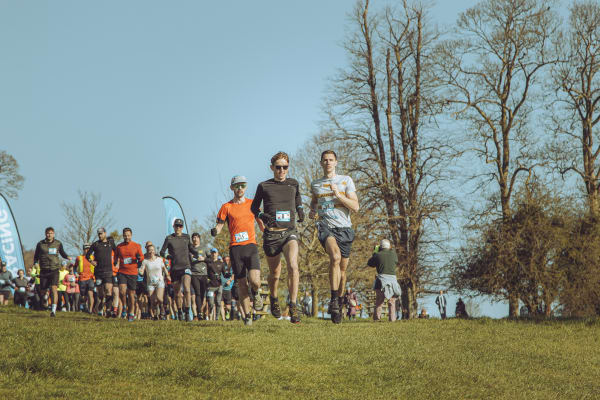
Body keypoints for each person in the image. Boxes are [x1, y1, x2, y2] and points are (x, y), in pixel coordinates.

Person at [251, 151, 303, 324]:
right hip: (272, 234)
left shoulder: (293, 184)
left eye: (285, 167)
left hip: (289, 232)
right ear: (272, 168)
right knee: (275, 273)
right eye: (278, 167)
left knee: (293, 266)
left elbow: (298, 200)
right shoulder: (264, 186)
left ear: (288, 168)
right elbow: (253, 208)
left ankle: (293, 304)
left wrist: (301, 211)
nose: (282, 170)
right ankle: (274, 297)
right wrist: (262, 215)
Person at [309, 150, 359, 324]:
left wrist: (339, 195)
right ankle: (333, 300)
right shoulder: (316, 184)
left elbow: (356, 206)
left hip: (345, 229)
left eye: (331, 160)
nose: (328, 163)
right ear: (321, 163)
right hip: (325, 227)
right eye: (325, 160)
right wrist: (312, 211)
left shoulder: (346, 181)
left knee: (343, 272)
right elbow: (314, 200)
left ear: (336, 162)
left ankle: (338, 300)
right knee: (335, 257)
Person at [211, 175, 263, 326]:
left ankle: (257, 292)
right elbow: (219, 226)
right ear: (232, 188)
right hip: (236, 249)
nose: (240, 188)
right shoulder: (226, 207)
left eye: (243, 185)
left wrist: (268, 234)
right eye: (237, 186)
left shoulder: (252, 204)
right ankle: (247, 316)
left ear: (246, 187)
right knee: (241, 283)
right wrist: (215, 231)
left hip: (251, 246)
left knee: (254, 280)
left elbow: (260, 223)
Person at [160, 218, 198, 322]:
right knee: (177, 293)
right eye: (176, 226)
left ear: (182, 227)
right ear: (174, 227)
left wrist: (196, 253)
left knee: (186, 289)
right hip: (175, 269)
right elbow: (162, 252)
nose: (178, 228)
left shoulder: (186, 237)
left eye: (180, 226)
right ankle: (180, 312)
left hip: (186, 267)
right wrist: (168, 256)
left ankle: (187, 312)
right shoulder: (169, 238)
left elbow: (191, 248)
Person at [33, 227, 72, 316]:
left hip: (54, 269)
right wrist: (35, 263)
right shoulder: (40, 244)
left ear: (53, 234)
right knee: (43, 291)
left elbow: (62, 252)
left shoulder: (58, 243)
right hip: (44, 270)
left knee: (54, 289)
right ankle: (45, 298)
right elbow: (36, 256)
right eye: (47, 233)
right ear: (45, 234)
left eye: (51, 233)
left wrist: (67, 257)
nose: (49, 235)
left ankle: (53, 310)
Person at [366, 239, 401, 322]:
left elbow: (370, 263)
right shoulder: (394, 255)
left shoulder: (378, 255)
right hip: (392, 280)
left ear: (381, 247)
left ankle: (377, 318)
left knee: (379, 300)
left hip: (381, 280)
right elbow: (396, 261)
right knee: (392, 301)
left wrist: (375, 252)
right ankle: (392, 319)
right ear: (389, 247)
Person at [86, 228, 117, 317]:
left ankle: (108, 310)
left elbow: (117, 252)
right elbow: (87, 255)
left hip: (108, 271)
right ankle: (101, 301)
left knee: (108, 290)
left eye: (101, 233)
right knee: (100, 293)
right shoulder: (95, 244)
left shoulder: (110, 243)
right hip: (98, 272)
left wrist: (116, 261)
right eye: (98, 234)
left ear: (105, 233)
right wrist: (91, 261)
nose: (100, 235)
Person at [115, 227, 144, 322]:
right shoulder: (119, 246)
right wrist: (115, 262)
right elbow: (115, 257)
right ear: (123, 236)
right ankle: (124, 306)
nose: (127, 237)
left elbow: (142, 257)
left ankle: (131, 313)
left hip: (133, 273)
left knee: (131, 294)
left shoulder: (136, 246)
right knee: (122, 291)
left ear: (131, 235)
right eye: (125, 235)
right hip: (122, 272)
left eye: (128, 235)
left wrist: (138, 258)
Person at [140, 243, 169, 320]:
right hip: (150, 283)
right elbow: (142, 271)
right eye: (149, 250)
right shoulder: (145, 261)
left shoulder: (159, 259)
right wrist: (140, 272)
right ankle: (156, 315)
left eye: (152, 250)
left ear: (154, 250)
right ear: (147, 251)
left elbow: (164, 268)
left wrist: (167, 275)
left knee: (159, 298)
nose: (151, 251)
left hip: (159, 281)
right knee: (153, 301)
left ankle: (163, 308)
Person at [189, 233, 207, 320]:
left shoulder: (204, 248)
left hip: (204, 274)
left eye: (196, 238)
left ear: (199, 239)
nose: (195, 239)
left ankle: (201, 311)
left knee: (202, 294)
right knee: (197, 293)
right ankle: (199, 313)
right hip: (194, 274)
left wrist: (204, 259)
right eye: (193, 238)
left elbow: (210, 260)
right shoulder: (190, 249)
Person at [76, 244, 95, 313]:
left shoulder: (93, 257)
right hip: (82, 278)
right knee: (83, 295)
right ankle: (83, 305)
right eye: (86, 249)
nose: (87, 250)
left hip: (90, 278)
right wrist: (76, 274)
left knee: (90, 293)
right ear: (83, 249)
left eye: (89, 249)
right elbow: (75, 267)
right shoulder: (79, 257)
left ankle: (90, 310)